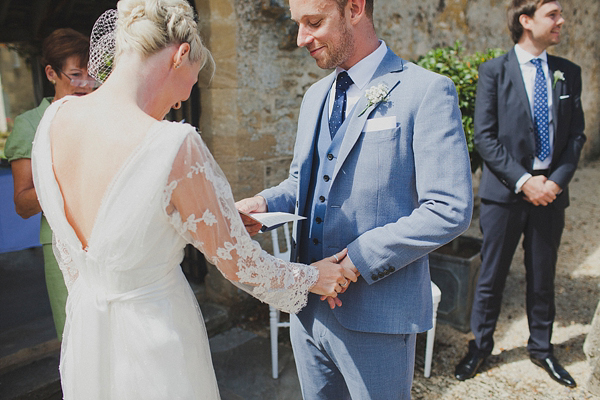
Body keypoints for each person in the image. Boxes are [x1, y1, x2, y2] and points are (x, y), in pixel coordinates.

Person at [30, 1, 356, 399]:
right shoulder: (173, 143)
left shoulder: (53, 122)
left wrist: (211, 219)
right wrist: (312, 277)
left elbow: (77, 252)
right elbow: (242, 266)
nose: (181, 101)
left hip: (86, 337)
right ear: (181, 54)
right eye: (190, 83)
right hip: (155, 341)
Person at [236, 0, 473, 397]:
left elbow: (449, 208)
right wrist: (264, 203)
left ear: (355, 8)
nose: (300, 39)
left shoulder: (426, 91)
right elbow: (303, 184)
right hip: (307, 310)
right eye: (298, 24)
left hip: (379, 318)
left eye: (313, 22)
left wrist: (358, 259)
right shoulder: (314, 97)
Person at [454, 0, 586, 388]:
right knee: (492, 274)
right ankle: (480, 346)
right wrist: (524, 180)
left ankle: (542, 349)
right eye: (553, 14)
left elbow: (576, 136)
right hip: (506, 193)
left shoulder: (568, 73)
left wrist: (555, 181)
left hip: (551, 192)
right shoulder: (493, 72)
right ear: (526, 21)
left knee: (543, 274)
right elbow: (485, 137)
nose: (562, 21)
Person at [4, 28, 95, 339]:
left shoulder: (103, 115)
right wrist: (66, 177)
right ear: (51, 73)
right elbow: (23, 204)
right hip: (62, 244)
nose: (86, 83)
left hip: (108, 237)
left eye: (91, 74)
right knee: (78, 338)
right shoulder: (30, 125)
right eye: (75, 74)